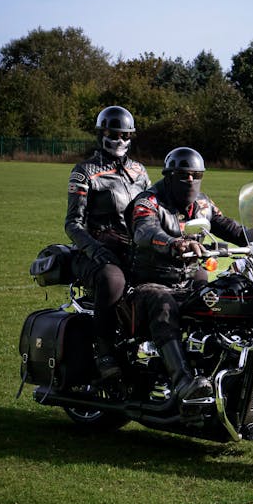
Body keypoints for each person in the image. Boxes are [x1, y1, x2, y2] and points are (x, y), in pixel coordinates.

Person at [128, 146, 253, 403]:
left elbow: (229, 228)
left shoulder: (203, 204)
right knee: (163, 304)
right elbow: (144, 232)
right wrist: (174, 243)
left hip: (189, 280)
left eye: (196, 175)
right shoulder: (148, 202)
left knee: (229, 295)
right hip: (151, 282)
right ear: (169, 175)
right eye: (184, 175)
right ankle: (183, 382)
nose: (190, 180)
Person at [65, 105, 151, 383]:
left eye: (126, 135)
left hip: (133, 249)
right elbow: (73, 224)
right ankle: (103, 350)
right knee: (113, 281)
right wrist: (95, 249)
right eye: (114, 134)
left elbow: (152, 211)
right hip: (96, 252)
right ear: (102, 134)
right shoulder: (85, 172)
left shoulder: (139, 171)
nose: (120, 140)